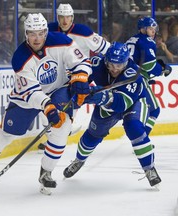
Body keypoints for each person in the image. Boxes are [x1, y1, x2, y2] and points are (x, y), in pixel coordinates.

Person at [0, 13, 92, 194]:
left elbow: (82, 61)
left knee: (62, 127)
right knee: (4, 135)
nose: (37, 38)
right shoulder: (20, 57)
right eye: (32, 33)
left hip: (58, 89)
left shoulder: (61, 40)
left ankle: (46, 173)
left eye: (41, 33)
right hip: (27, 97)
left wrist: (81, 77)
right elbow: (32, 92)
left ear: (46, 31)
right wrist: (47, 106)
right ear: (26, 34)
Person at [63, 42, 162, 187]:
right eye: (111, 64)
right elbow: (80, 72)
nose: (115, 69)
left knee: (134, 128)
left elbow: (122, 104)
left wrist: (102, 97)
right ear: (106, 60)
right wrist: (79, 83)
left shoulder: (134, 74)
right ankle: (79, 160)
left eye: (119, 65)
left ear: (126, 61)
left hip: (133, 102)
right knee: (92, 135)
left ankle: (149, 168)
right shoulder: (97, 63)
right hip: (106, 104)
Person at [37, 3, 111, 151]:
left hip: (79, 78)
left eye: (68, 17)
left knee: (69, 107)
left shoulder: (83, 32)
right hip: (56, 77)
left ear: (72, 17)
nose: (65, 21)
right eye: (61, 17)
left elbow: (106, 47)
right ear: (57, 17)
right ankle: (57, 135)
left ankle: (58, 137)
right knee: (47, 106)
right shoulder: (49, 31)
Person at [125, 17, 172, 136]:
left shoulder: (131, 39)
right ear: (142, 29)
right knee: (154, 110)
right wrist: (162, 69)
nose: (153, 32)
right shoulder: (147, 41)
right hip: (137, 79)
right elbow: (149, 66)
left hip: (123, 78)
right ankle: (142, 139)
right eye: (150, 29)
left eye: (154, 29)